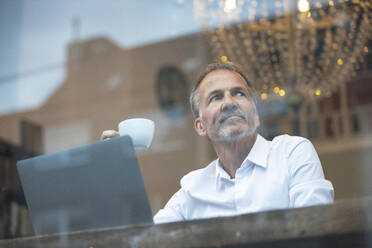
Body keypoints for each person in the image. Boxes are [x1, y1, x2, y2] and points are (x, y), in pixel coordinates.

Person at [101, 62, 334, 224]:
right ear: (200, 126)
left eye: (239, 94)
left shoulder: (292, 153)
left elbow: (315, 229)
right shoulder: (193, 189)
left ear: (256, 114)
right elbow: (145, 240)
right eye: (216, 97)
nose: (229, 102)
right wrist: (115, 171)